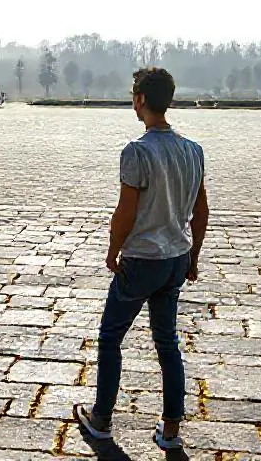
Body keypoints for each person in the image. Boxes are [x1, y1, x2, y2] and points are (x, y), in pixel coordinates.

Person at [74, 67, 209, 452]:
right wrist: (194, 255)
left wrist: (112, 250)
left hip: (143, 258)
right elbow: (201, 211)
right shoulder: (193, 150)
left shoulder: (137, 151)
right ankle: (170, 429)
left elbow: (126, 212)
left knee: (111, 336)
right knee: (167, 342)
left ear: (140, 100)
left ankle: (101, 417)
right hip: (176, 256)